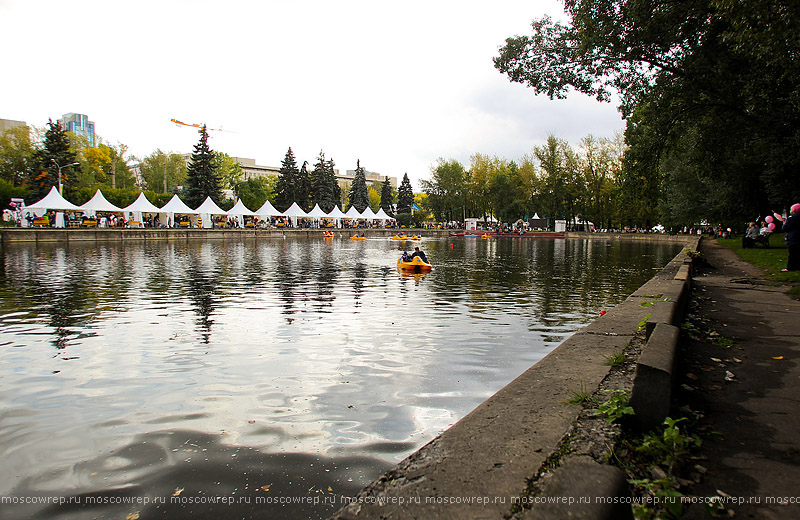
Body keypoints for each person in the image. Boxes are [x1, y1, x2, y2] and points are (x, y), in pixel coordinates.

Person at [782, 203, 800, 271]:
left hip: (793, 238)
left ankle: (791, 267)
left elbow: (785, 228)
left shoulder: (791, 218)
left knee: (792, 254)